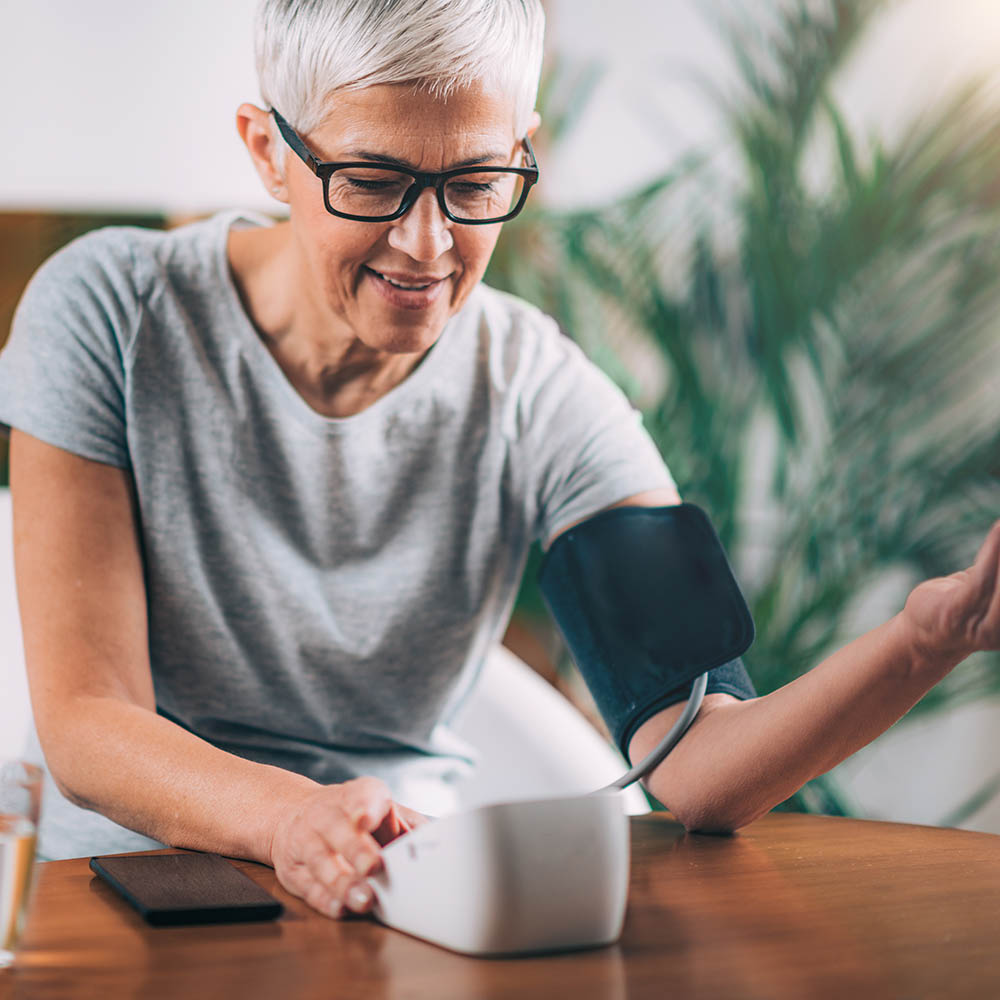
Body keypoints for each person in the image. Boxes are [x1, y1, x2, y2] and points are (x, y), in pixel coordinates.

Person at [1, 0, 998, 924]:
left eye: (475, 184)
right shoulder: (109, 313)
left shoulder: (541, 393)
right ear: (267, 150)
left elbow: (694, 760)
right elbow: (90, 720)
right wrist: (288, 817)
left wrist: (926, 639)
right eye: (373, 181)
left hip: (398, 900)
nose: (427, 242)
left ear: (525, 154)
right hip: (129, 896)